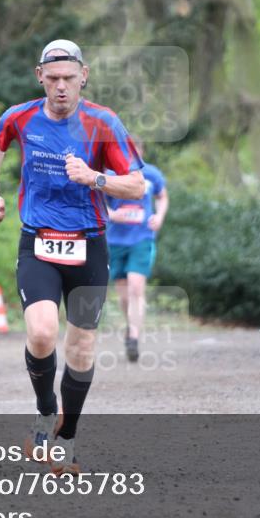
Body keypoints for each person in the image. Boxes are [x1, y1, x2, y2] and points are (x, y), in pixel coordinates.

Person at [0, 40, 145, 474]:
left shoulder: (103, 122)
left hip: (89, 245)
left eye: (69, 79)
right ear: (40, 77)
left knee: (82, 345)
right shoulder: (21, 116)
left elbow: (137, 186)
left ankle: (66, 439)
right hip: (38, 242)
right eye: (52, 79)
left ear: (83, 76)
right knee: (40, 334)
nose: (60, 87)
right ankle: (43, 411)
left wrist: (95, 178)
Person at [106, 139, 168, 361]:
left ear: (141, 152)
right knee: (123, 292)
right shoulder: (111, 174)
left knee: (136, 287)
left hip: (142, 238)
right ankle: (130, 325)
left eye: (135, 151)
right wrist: (112, 215)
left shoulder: (151, 174)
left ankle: (133, 336)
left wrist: (159, 216)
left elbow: (162, 196)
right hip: (116, 240)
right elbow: (98, 201)